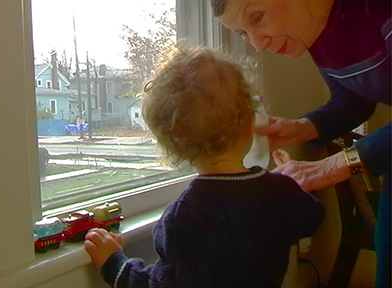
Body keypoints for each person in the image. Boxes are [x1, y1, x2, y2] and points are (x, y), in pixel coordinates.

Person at [83, 47, 324, 288]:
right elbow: (312, 216)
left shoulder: (183, 216)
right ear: (251, 122)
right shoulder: (279, 192)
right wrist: (293, 181)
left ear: (173, 147)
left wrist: (115, 264)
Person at [211, 0, 391, 286]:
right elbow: (356, 97)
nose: (258, 45)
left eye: (257, 18)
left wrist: (338, 164)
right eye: (243, 34)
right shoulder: (318, 34)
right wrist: (303, 128)